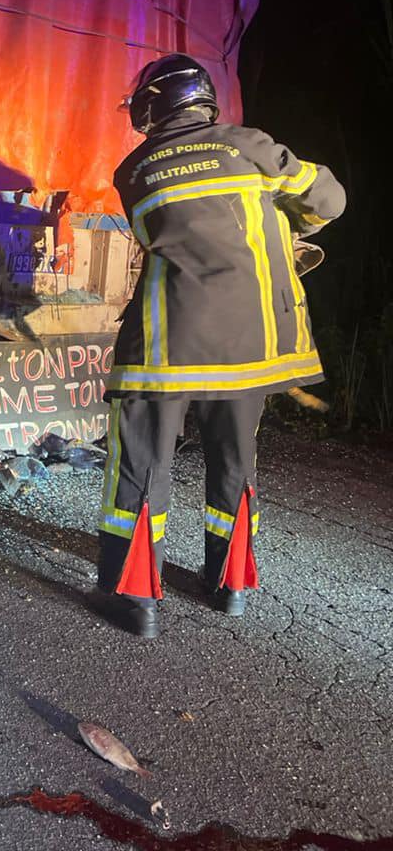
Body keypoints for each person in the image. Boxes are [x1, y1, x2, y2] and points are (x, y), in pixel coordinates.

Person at [95, 54, 345, 638]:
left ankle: (137, 602)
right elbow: (328, 202)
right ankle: (229, 585)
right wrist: (283, 222)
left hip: (164, 348)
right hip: (249, 346)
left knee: (141, 466)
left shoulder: (133, 171)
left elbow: (165, 233)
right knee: (235, 462)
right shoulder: (251, 146)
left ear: (154, 105)